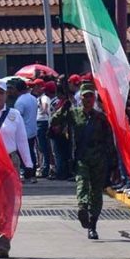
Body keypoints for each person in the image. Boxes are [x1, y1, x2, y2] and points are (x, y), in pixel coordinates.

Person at [51, 83, 117, 240]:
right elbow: (54, 123)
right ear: (80, 98)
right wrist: (64, 108)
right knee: (82, 183)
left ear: (94, 98)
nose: (87, 99)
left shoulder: (101, 118)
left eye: (90, 96)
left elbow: (109, 141)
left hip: (99, 158)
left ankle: (92, 225)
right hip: (81, 157)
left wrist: (114, 165)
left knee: (96, 192)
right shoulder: (74, 114)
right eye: (84, 96)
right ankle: (82, 209)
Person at [0, 79, 33, 258]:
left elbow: (21, 140)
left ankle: (3, 243)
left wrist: (28, 164)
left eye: (0, 92)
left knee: (8, 203)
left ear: (6, 94)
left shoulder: (14, 115)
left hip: (10, 160)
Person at [13, 78, 39, 183]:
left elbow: (16, 118)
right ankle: (32, 174)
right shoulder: (33, 98)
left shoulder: (20, 101)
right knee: (31, 152)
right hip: (33, 129)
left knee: (23, 153)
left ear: (17, 89)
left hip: (23, 132)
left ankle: (27, 173)